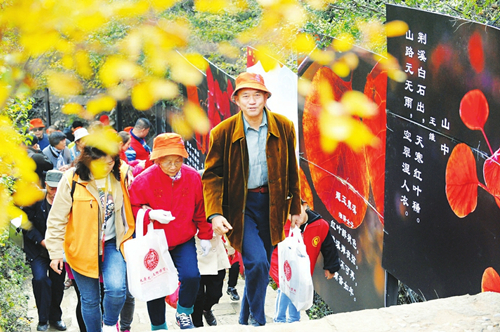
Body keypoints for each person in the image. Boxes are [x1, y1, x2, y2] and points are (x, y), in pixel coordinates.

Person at [202, 72, 302, 326]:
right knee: (257, 262)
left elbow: (292, 168)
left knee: (261, 264)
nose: (252, 101)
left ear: (266, 97)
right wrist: (214, 214)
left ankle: (243, 320)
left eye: (257, 95)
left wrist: (296, 206)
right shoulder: (222, 132)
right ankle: (259, 320)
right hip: (240, 207)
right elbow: (212, 176)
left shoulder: (284, 126)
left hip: (273, 205)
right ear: (237, 100)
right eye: (246, 96)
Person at [45, 144, 136, 332]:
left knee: (118, 290)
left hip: (113, 243)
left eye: (110, 163)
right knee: (90, 300)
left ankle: (110, 325)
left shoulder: (121, 175)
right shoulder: (72, 179)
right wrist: (54, 253)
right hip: (81, 246)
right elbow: (56, 219)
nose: (105, 168)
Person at [128, 132, 213, 330]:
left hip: (183, 237)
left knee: (192, 276)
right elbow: (130, 208)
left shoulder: (192, 176)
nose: (173, 167)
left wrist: (205, 235)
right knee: (155, 283)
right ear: (157, 159)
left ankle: (184, 312)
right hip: (155, 240)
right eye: (167, 162)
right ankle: (158, 326)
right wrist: (150, 214)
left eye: (177, 161)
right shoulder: (143, 180)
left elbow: (200, 208)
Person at [270, 199, 340, 323]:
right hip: (283, 268)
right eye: (289, 214)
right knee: (285, 289)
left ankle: (294, 320)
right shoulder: (282, 224)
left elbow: (328, 247)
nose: (294, 217)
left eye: (296, 211)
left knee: (297, 292)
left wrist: (331, 266)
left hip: (303, 271)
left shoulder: (320, 225)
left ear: (305, 206)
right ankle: (279, 320)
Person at [22, 170, 67, 332]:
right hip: (38, 250)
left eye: (58, 188)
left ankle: (56, 317)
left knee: (58, 284)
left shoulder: (67, 199)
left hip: (60, 250)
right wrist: (41, 240)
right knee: (41, 280)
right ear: (46, 185)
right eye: (52, 188)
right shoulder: (35, 200)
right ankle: (42, 319)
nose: (55, 192)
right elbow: (25, 222)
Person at [191, 233, 230, 327]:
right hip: (195, 252)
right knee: (197, 297)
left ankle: (206, 309)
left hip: (217, 255)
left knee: (215, 294)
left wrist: (231, 249)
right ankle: (197, 325)